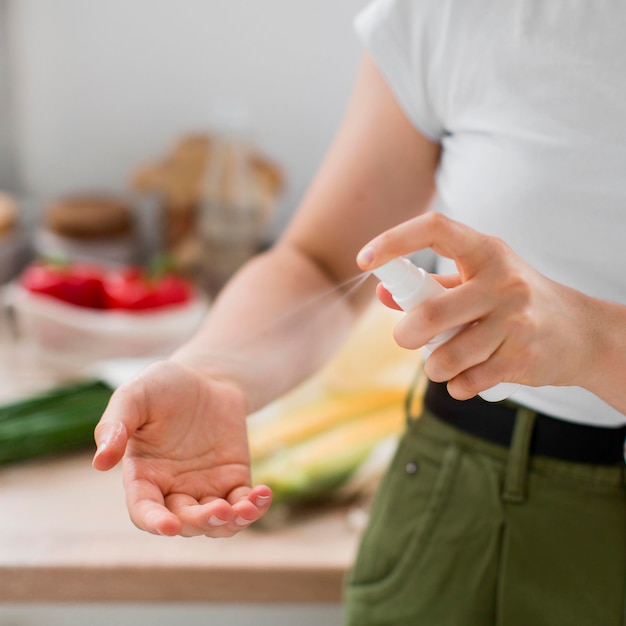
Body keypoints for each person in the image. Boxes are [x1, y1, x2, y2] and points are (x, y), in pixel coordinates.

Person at [93, 0, 626, 623]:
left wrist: (594, 342)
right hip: (480, 509)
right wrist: (217, 372)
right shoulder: (458, 15)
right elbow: (320, 265)